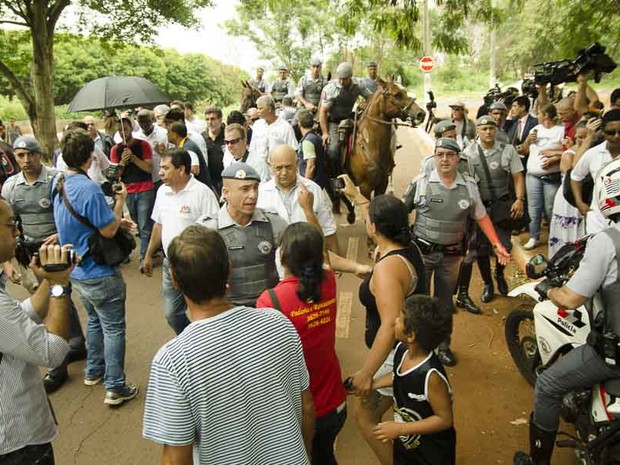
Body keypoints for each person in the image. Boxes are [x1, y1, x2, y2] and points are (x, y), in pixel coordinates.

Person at [143, 225, 313, 464]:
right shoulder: (278, 323)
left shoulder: (173, 360)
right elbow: (306, 406)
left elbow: (175, 458)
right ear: (229, 269)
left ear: (174, 279)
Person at [513, 157, 620, 465]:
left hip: (613, 357)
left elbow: (572, 299)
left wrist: (550, 290)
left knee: (547, 385)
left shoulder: (607, 242)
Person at [339, 173, 427, 465]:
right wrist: (358, 197)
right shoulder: (405, 246)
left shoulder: (389, 269)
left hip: (396, 354)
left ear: (375, 228)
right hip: (411, 348)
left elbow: (390, 324)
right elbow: (374, 218)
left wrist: (366, 373)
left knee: (366, 417)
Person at [404, 137, 511, 366]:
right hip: (422, 255)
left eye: (449, 155)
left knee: (444, 304)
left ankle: (443, 347)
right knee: (418, 301)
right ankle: (415, 347)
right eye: (439, 154)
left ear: (458, 159)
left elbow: (481, 216)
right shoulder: (421, 183)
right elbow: (401, 213)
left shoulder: (469, 187)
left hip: (451, 258)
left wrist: (496, 244)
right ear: (434, 156)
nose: (444, 159)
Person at [52, 127, 138, 406]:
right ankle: (115, 386)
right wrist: (121, 202)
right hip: (99, 271)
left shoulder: (60, 185)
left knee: (93, 320)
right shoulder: (88, 188)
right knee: (113, 327)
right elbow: (110, 230)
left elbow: (82, 223)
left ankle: (94, 370)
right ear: (90, 158)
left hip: (76, 271)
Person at [2, 134, 86, 393]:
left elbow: (68, 211)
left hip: (55, 250)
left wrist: (61, 236)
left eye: (31, 154)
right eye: (20, 155)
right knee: (44, 299)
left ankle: (62, 357)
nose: (26, 160)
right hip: (26, 253)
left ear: (40, 154)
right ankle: (72, 343)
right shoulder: (10, 186)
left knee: (59, 298)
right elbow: (9, 226)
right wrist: (9, 261)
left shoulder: (55, 179)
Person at [257, 222, 347, 465]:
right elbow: (325, 262)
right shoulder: (328, 281)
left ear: (282, 255)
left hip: (298, 411)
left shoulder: (272, 300)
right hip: (334, 401)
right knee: (326, 456)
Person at [0, 199, 76, 465]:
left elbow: (17, 318)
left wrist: (48, 278)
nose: (17, 233)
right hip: (16, 444)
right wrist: (59, 286)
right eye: (11, 225)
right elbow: (52, 351)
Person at [142, 148, 219, 335]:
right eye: (160, 167)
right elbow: (158, 225)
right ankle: (191, 339)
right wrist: (148, 255)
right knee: (172, 313)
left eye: (166, 168)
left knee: (204, 312)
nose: (160, 172)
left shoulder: (202, 193)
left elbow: (214, 231)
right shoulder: (161, 192)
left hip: (198, 265)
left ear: (182, 169)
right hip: (171, 264)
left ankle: (208, 343)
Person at [372, 295, 456, 465]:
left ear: (410, 336)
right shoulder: (402, 351)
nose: (395, 321)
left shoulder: (431, 376)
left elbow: (444, 419)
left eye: (399, 320)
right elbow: (398, 376)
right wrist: (373, 384)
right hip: (407, 444)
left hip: (431, 453)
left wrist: (401, 428)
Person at [196, 162, 288, 307]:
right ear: (226, 193)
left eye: (255, 188)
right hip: (228, 312)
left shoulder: (273, 223)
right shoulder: (208, 230)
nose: (253, 195)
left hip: (268, 310)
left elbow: (300, 252)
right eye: (245, 189)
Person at [460, 116, 524, 304]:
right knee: (480, 249)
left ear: (496, 130)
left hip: (502, 207)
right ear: (477, 131)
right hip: (480, 208)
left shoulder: (507, 150)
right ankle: (488, 283)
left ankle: (499, 273)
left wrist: (520, 199)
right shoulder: (469, 153)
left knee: (502, 246)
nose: (488, 132)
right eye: (484, 128)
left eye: (491, 128)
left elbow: (518, 177)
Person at [258, 144, 338, 252]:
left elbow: (329, 232)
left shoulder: (313, 189)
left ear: (297, 164)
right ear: (270, 166)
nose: (284, 173)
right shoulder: (261, 194)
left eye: (288, 167)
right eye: (279, 168)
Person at [519, 103, 565, 250]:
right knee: (534, 208)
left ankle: (555, 236)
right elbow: (524, 151)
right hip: (532, 175)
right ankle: (534, 236)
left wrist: (553, 157)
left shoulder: (560, 131)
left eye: (539, 113)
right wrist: (528, 141)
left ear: (545, 115)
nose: (536, 116)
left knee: (551, 208)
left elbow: (567, 149)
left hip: (551, 176)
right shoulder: (535, 129)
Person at [110, 117, 154, 265]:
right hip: (128, 190)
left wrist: (134, 158)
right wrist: (122, 161)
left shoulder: (143, 145)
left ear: (131, 128)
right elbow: (114, 175)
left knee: (144, 224)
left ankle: (144, 257)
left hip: (145, 189)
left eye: (126, 129)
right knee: (136, 223)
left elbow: (149, 168)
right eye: (120, 130)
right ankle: (148, 248)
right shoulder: (115, 149)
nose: (123, 132)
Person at [570, 109, 620, 234]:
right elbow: (576, 176)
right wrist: (579, 202)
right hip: (597, 222)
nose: (617, 136)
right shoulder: (593, 154)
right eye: (611, 132)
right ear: (603, 132)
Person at [319, 62, 373, 177]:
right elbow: (322, 112)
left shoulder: (358, 85)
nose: (342, 82)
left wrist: (366, 103)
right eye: (340, 79)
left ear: (351, 77)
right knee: (333, 150)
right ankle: (334, 176)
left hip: (351, 118)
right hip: (334, 122)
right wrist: (325, 133)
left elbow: (371, 97)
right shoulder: (330, 89)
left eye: (345, 79)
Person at [548, 121, 588, 257]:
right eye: (579, 137)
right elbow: (574, 174)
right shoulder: (568, 155)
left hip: (586, 197)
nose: (582, 141)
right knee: (567, 234)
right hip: (569, 197)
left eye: (585, 137)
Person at [248, 95, 298, 181]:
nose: (258, 111)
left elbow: (293, 150)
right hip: (259, 173)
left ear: (269, 109)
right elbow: (253, 148)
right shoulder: (257, 125)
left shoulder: (285, 127)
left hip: (279, 174)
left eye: (260, 108)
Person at [167, 121, 214, 191]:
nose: (167, 134)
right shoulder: (183, 146)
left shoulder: (188, 147)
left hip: (200, 190)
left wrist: (177, 169)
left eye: (169, 132)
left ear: (175, 134)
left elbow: (195, 170)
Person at [133, 109, 168, 194]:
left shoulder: (164, 134)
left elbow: (172, 155)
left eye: (147, 121)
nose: (144, 124)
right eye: (141, 122)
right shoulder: (135, 137)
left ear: (153, 119)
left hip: (161, 178)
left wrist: (163, 153)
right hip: (143, 181)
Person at [297, 108, 330, 192]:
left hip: (313, 185)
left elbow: (311, 166)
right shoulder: (316, 137)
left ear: (299, 124)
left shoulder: (307, 141)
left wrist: (305, 186)